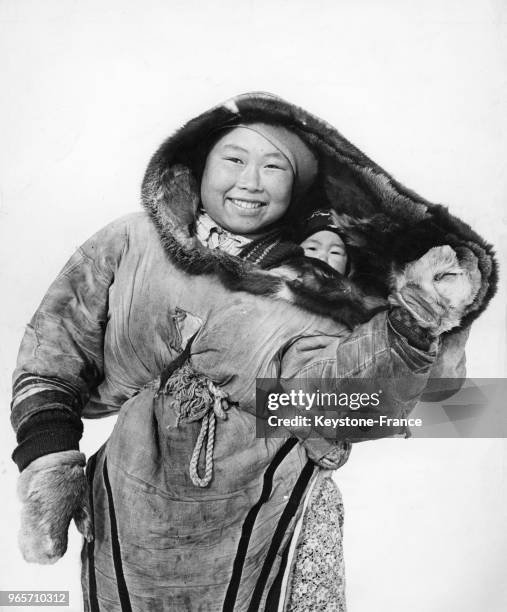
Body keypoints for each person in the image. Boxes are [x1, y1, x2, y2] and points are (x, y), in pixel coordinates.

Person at [11, 93, 497, 612]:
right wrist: (48, 462)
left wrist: (414, 320)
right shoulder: (131, 241)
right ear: (198, 168)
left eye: (274, 167)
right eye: (234, 159)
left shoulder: (316, 290)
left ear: (295, 188)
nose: (250, 181)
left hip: (273, 518)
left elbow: (338, 405)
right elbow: (54, 349)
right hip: (130, 513)